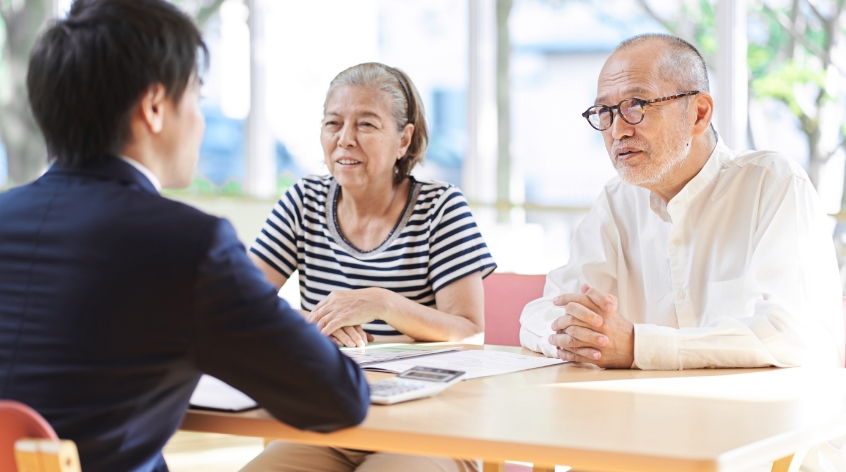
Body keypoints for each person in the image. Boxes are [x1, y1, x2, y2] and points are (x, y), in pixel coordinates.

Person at [0, 1, 369, 471]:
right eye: (197, 97)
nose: (200, 121)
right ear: (155, 107)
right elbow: (339, 399)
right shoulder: (189, 245)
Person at [519, 33, 845, 470]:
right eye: (605, 112)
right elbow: (541, 311)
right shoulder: (617, 201)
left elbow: (792, 336)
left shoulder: (773, 184)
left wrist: (637, 345)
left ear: (699, 112)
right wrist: (575, 336)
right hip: (646, 443)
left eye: (636, 105)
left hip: (764, 449)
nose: (617, 129)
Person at [242, 63, 494, 472]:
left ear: (403, 139)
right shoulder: (303, 201)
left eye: (366, 125)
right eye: (333, 123)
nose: (344, 139)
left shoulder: (441, 208)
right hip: (330, 422)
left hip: (432, 427)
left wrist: (381, 303)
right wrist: (312, 322)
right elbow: (239, 305)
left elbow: (471, 332)